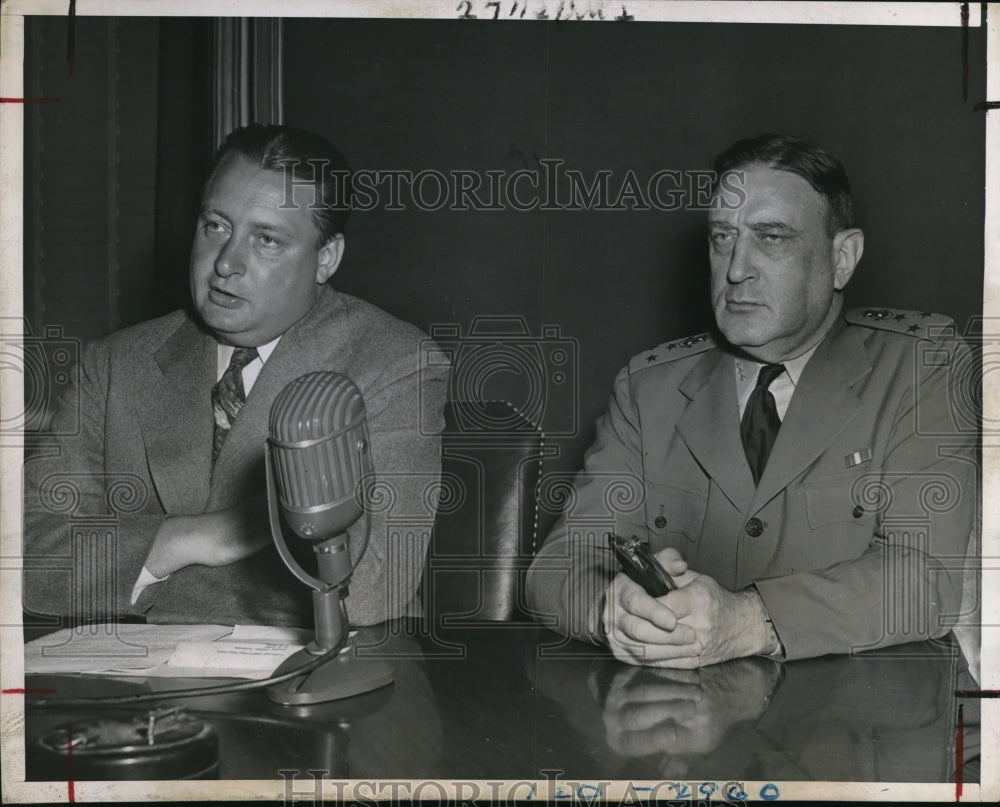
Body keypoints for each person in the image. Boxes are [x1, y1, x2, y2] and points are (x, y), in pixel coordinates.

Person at [526, 133, 978, 667]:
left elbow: (926, 578)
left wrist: (749, 621)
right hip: (684, 728)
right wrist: (611, 610)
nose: (736, 268)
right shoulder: (650, 389)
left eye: (771, 237)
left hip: (845, 728)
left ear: (842, 258)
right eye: (722, 238)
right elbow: (555, 567)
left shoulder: (919, 366)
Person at [23, 124, 450, 628]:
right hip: (134, 682)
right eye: (216, 226)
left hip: (317, 682)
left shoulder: (395, 363)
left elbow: (371, 591)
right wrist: (202, 536)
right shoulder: (117, 364)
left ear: (326, 258)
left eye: (267, 239)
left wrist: (132, 562)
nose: (226, 263)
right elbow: (27, 557)